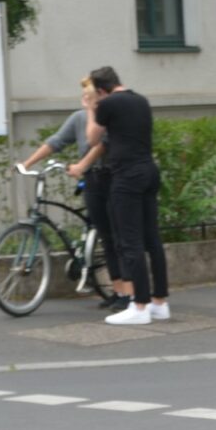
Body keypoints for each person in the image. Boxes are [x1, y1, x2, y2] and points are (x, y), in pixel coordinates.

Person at [18, 79, 130, 311]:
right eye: (88, 100)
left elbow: (99, 143)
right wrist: (27, 163)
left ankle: (126, 293)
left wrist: (93, 115)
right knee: (106, 235)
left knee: (115, 236)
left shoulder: (108, 118)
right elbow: (56, 142)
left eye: (94, 100)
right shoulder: (78, 118)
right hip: (91, 180)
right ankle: (116, 291)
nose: (91, 103)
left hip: (110, 178)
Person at [86, 66, 170, 325]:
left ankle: (140, 306)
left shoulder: (107, 103)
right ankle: (160, 302)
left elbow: (92, 139)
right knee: (152, 240)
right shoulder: (140, 100)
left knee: (129, 241)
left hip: (127, 177)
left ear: (101, 90)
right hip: (149, 171)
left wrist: (91, 107)